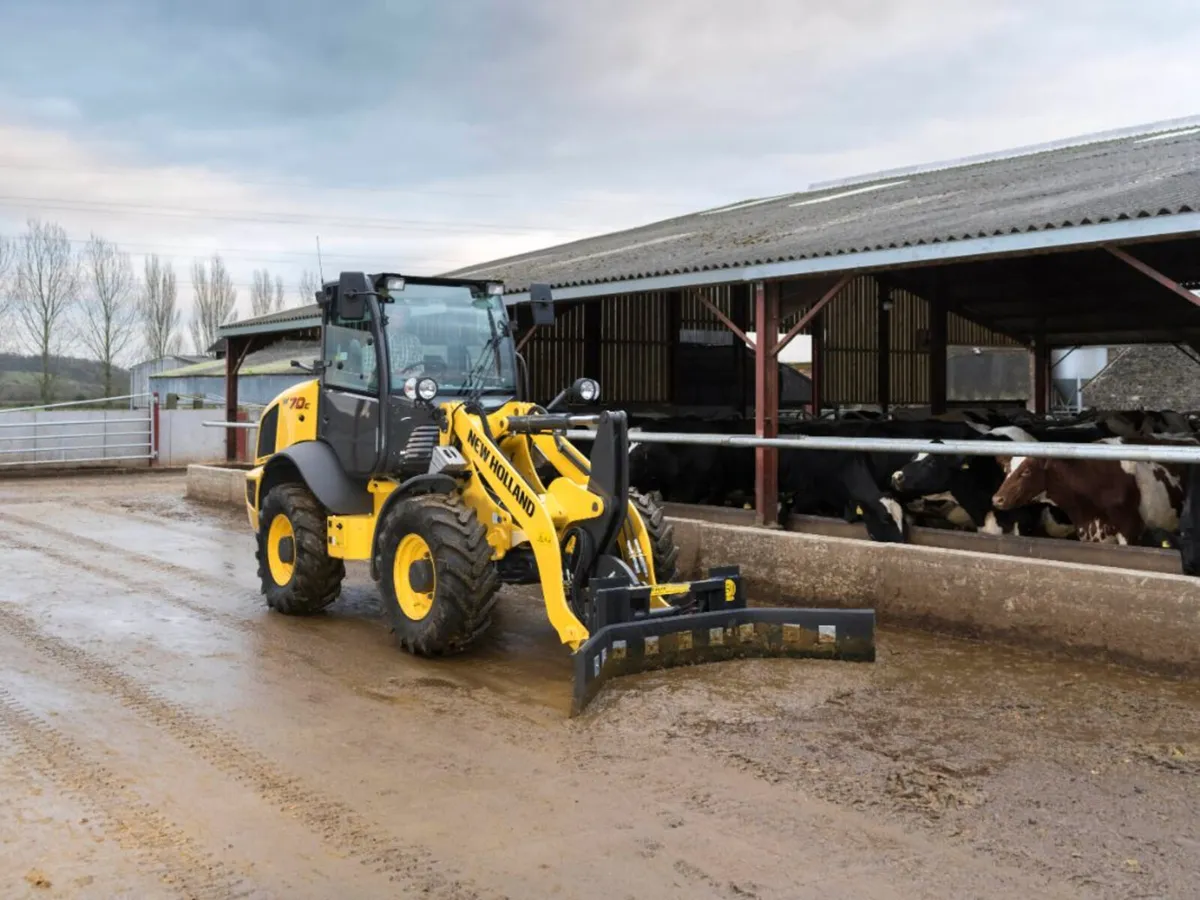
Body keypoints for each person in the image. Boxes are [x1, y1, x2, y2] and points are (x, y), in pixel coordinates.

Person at [388, 303, 425, 378]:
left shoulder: (414, 341)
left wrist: (408, 375)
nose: (402, 317)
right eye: (398, 313)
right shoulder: (375, 339)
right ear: (388, 315)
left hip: (408, 386)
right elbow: (368, 374)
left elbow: (419, 371)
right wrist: (393, 375)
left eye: (405, 315)